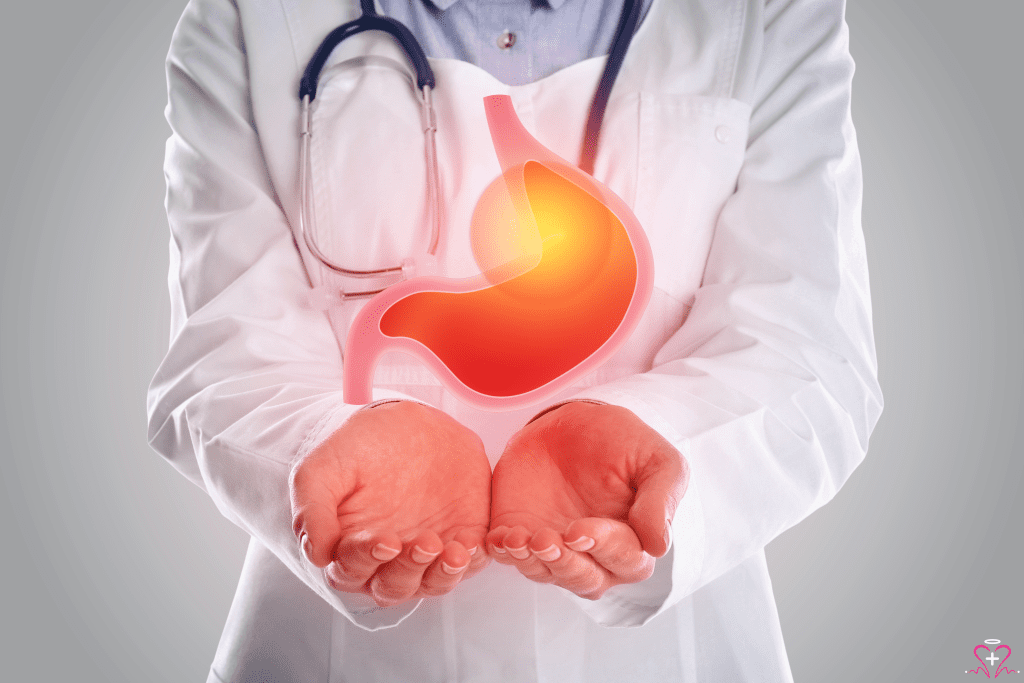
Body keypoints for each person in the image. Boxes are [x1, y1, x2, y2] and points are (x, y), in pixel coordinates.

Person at [147, 0, 883, 680]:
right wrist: (326, 438)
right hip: (333, 652)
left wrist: (663, 441)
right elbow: (224, 345)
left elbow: (807, 346)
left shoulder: (770, 11)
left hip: (673, 653)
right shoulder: (252, 13)